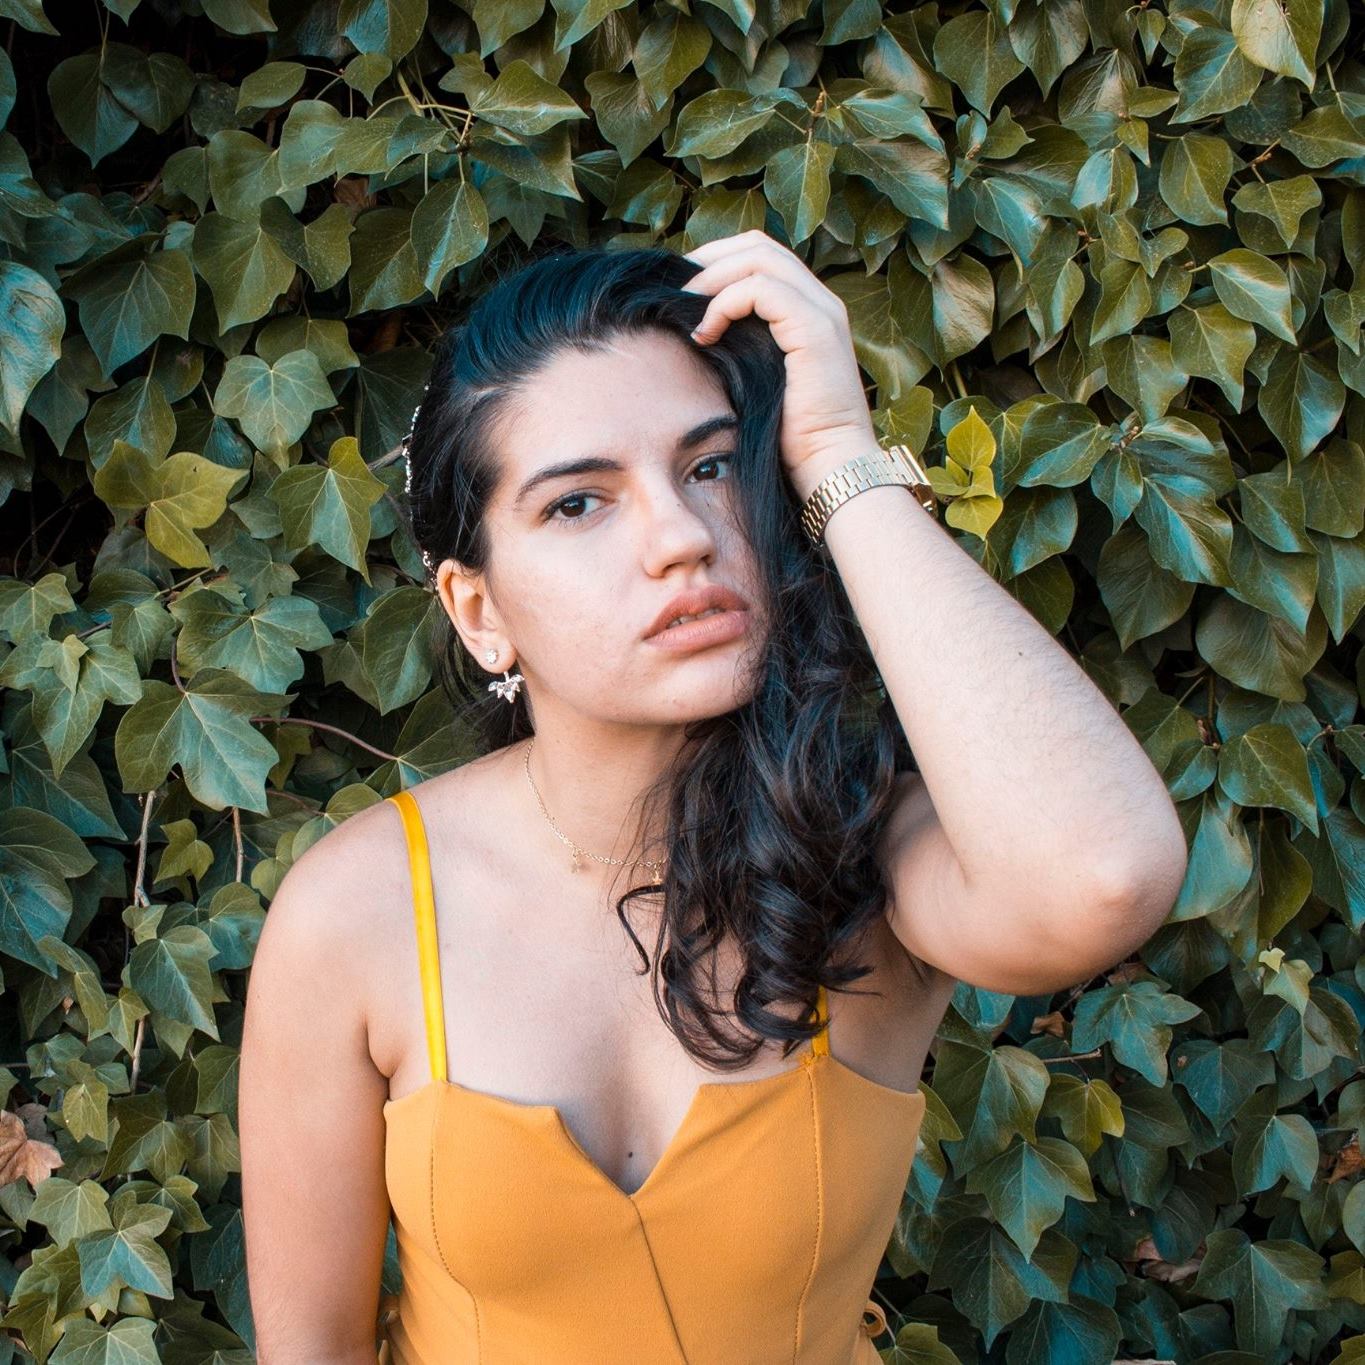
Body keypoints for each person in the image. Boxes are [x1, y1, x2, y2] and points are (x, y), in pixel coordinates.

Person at [239, 230, 1189, 1363]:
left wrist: (838, 456)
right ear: (478, 611)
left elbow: (1102, 877)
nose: (682, 538)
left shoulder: (871, 852)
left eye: (711, 468)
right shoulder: (356, 912)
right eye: (578, 504)